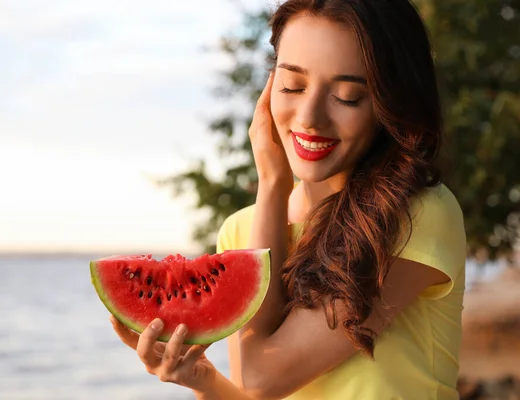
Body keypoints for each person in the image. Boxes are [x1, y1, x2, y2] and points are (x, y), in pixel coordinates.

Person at [110, 0, 467, 398]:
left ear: (389, 105)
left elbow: (264, 377)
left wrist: (272, 179)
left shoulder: (417, 214)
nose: (310, 116)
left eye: (348, 96)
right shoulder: (240, 229)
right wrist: (201, 378)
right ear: (269, 86)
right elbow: (252, 391)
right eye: (292, 86)